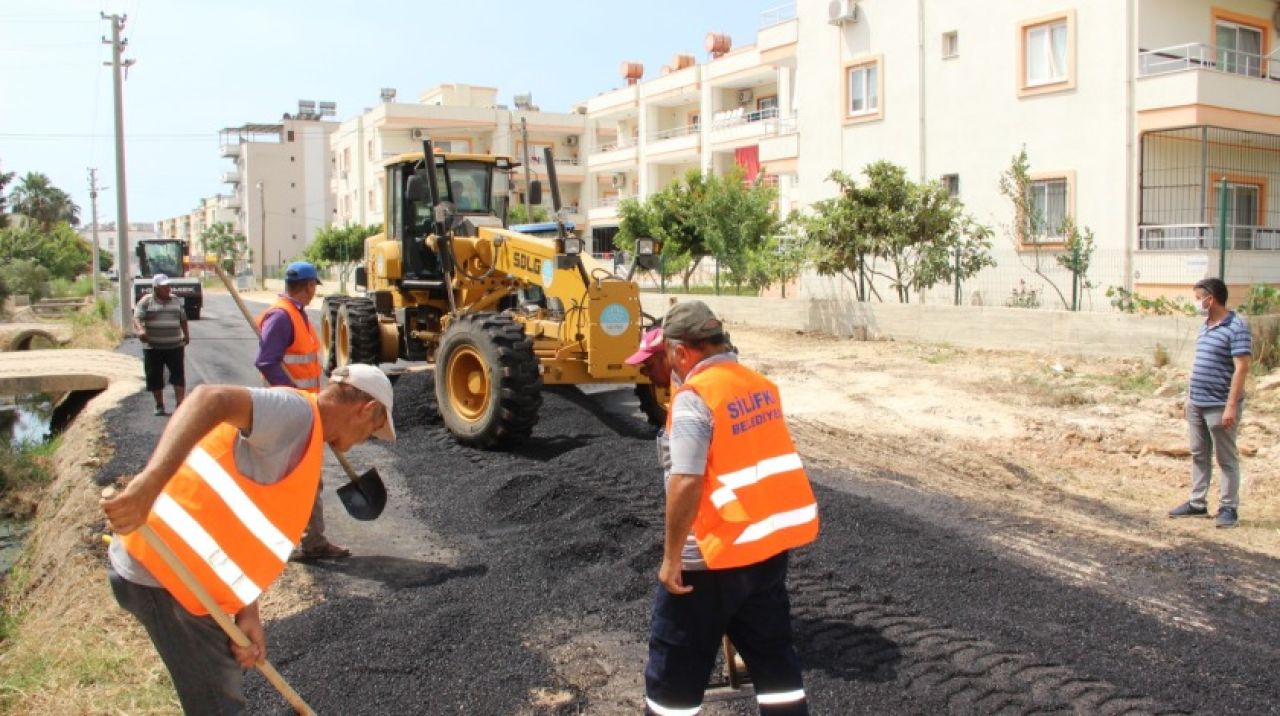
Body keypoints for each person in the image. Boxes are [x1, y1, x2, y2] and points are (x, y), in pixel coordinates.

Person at [101, 364, 396, 714]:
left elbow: (245, 533)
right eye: (373, 430)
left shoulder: (307, 438)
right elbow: (210, 398)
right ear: (367, 409)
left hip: (196, 585)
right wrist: (147, 486)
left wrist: (248, 611)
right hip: (167, 574)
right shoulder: (296, 414)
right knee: (221, 708)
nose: (367, 440)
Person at [644, 301, 819, 716]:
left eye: (668, 356)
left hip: (710, 559)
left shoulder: (696, 397)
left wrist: (671, 560)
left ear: (682, 352)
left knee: (674, 673)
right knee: (776, 663)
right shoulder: (758, 385)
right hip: (764, 551)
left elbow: (687, 479)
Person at [254, 260, 347, 560]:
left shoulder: (296, 314)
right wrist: (295, 396)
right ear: (308, 286)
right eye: (313, 287)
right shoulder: (282, 317)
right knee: (295, 478)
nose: (313, 292)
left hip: (305, 410)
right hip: (289, 412)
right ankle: (297, 541)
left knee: (307, 478)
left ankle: (311, 540)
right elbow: (267, 362)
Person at [1168, 278, 1251, 528]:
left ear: (1210, 298)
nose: (1197, 303)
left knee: (1226, 458)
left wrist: (1231, 406)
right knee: (1198, 453)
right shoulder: (1205, 326)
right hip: (1197, 402)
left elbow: (1241, 369)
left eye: (1198, 298)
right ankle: (1197, 503)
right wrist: (1189, 399)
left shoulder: (1237, 327)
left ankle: (1228, 508)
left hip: (1219, 404)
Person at [133, 273, 190, 416]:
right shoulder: (146, 301)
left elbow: (183, 318)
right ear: (156, 288)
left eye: (168, 286)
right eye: (164, 287)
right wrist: (141, 330)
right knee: (155, 377)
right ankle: (159, 404)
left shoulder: (176, 300)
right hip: (153, 348)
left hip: (175, 346)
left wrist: (186, 334)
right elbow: (137, 317)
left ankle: (180, 404)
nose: (167, 289)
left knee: (178, 375)